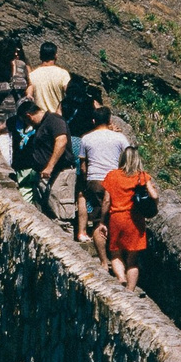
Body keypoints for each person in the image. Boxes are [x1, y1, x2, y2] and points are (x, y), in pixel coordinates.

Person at [73, 105, 128, 257]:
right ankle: (117, 257)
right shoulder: (119, 138)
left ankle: (103, 261)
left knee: (98, 221)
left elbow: (83, 166)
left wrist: (86, 182)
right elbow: (129, 159)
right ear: (109, 120)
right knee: (116, 218)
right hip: (116, 181)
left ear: (93, 120)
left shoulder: (86, 139)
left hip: (95, 181)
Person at [98, 143, 155, 289]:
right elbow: (154, 195)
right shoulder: (142, 176)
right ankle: (130, 290)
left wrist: (102, 221)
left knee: (116, 254)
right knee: (132, 260)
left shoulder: (112, 175)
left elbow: (106, 201)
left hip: (116, 218)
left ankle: (121, 278)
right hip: (135, 220)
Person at [10, 93, 67, 212]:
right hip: (45, 174)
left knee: (59, 212)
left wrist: (50, 166)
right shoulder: (41, 125)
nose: (28, 125)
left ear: (28, 116)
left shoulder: (53, 120)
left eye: (27, 121)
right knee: (44, 210)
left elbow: (61, 141)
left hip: (59, 173)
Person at [27, 38, 70, 122]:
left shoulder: (32, 75)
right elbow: (69, 93)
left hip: (40, 120)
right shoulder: (63, 74)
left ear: (40, 56)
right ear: (55, 56)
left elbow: (29, 97)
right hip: (58, 118)